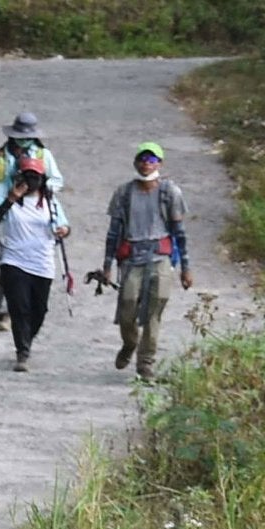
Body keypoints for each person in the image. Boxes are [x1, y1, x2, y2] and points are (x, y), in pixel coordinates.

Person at [100, 142, 193, 381]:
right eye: (142, 159)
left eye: (152, 160)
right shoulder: (124, 193)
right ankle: (130, 343)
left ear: (160, 163)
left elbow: (179, 232)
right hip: (132, 258)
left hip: (160, 258)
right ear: (135, 162)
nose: (146, 164)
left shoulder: (169, 192)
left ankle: (146, 363)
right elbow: (113, 232)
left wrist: (186, 268)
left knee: (153, 312)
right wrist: (107, 266)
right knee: (127, 307)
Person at [0, 113, 64, 326]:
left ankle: (23, 307)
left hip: (33, 215)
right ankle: (4, 312)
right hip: (4, 215)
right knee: (2, 264)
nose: (23, 140)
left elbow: (57, 180)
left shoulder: (43, 155)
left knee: (28, 266)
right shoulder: (2, 157)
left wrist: (40, 186)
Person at [0, 155, 70, 371]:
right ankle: (22, 352)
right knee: (19, 307)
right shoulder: (11, 198)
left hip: (42, 263)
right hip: (13, 260)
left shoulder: (51, 202)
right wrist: (11, 199)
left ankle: (26, 339)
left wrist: (64, 230)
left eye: (36, 177)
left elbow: (64, 226)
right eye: (28, 176)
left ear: (42, 179)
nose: (32, 181)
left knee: (39, 310)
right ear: (19, 177)